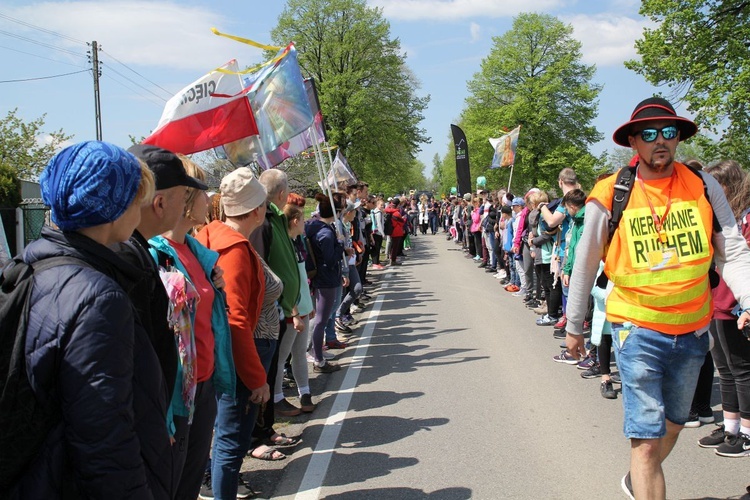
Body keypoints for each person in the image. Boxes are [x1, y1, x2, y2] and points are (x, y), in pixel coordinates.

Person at [565, 97, 750, 500]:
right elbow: (585, 260)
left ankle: (638, 478)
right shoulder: (610, 191)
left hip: (693, 329)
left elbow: (732, 250)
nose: (659, 140)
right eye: (648, 134)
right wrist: (575, 324)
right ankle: (644, 473)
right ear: (633, 141)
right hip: (636, 327)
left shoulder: (703, 185)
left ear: (679, 138)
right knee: (646, 440)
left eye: (668, 132)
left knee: (675, 424)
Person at [12, 141, 173, 498]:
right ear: (115, 207)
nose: (143, 207)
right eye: (137, 198)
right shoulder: (97, 297)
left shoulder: (32, 264)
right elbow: (105, 438)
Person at [146, 156, 236, 499]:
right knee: (173, 485)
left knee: (191, 478)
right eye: (202, 192)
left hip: (204, 384)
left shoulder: (197, 251)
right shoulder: (157, 254)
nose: (208, 199)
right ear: (184, 197)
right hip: (176, 395)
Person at [195, 167, 271, 499]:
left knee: (225, 441)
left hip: (222, 355)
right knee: (230, 444)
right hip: (238, 361)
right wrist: (257, 379)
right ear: (256, 210)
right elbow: (236, 320)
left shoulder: (214, 235)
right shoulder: (235, 250)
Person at [305, 193, 347, 372]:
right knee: (321, 319)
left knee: (320, 318)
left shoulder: (315, 227)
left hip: (320, 278)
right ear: (336, 212)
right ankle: (318, 358)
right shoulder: (325, 233)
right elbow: (330, 260)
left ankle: (316, 353)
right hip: (326, 280)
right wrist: (340, 245)